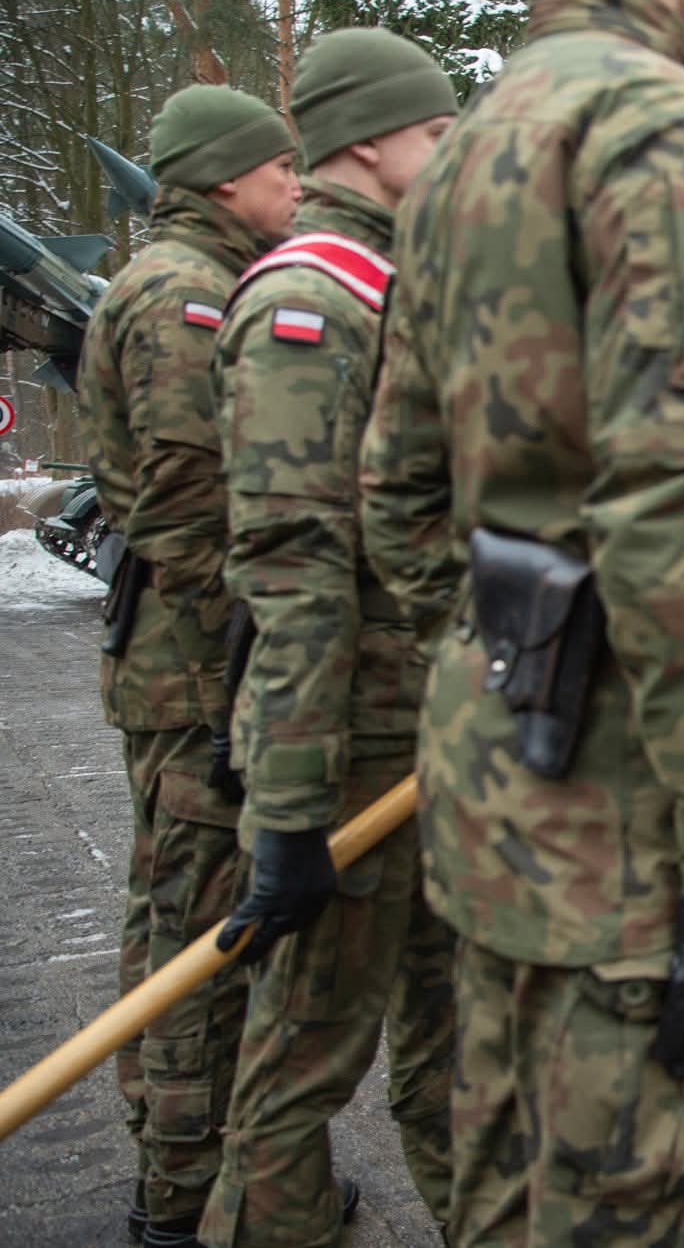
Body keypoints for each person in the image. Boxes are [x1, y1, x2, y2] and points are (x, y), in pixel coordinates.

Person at [356, 0, 684, 1242]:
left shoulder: (468, 146)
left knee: (502, 1200)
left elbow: (398, 489)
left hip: (497, 809)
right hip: (632, 842)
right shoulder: (665, 130)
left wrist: (521, 669)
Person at [201, 29, 459, 1247]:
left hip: (431, 748)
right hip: (349, 761)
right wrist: (292, 811)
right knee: (302, 1065)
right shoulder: (307, 305)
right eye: (437, 133)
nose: (453, 153)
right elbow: (294, 573)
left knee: (462, 1048)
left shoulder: (400, 284)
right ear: (365, 141)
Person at [75, 84, 300, 1247]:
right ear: (224, 177)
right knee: (201, 939)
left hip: (186, 666)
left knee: (182, 919)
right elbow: (185, 505)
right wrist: (261, 650)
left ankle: (207, 1178)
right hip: (198, 673)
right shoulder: (183, 296)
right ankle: (182, 1198)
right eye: (279, 168)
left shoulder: (199, 278)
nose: (296, 184)